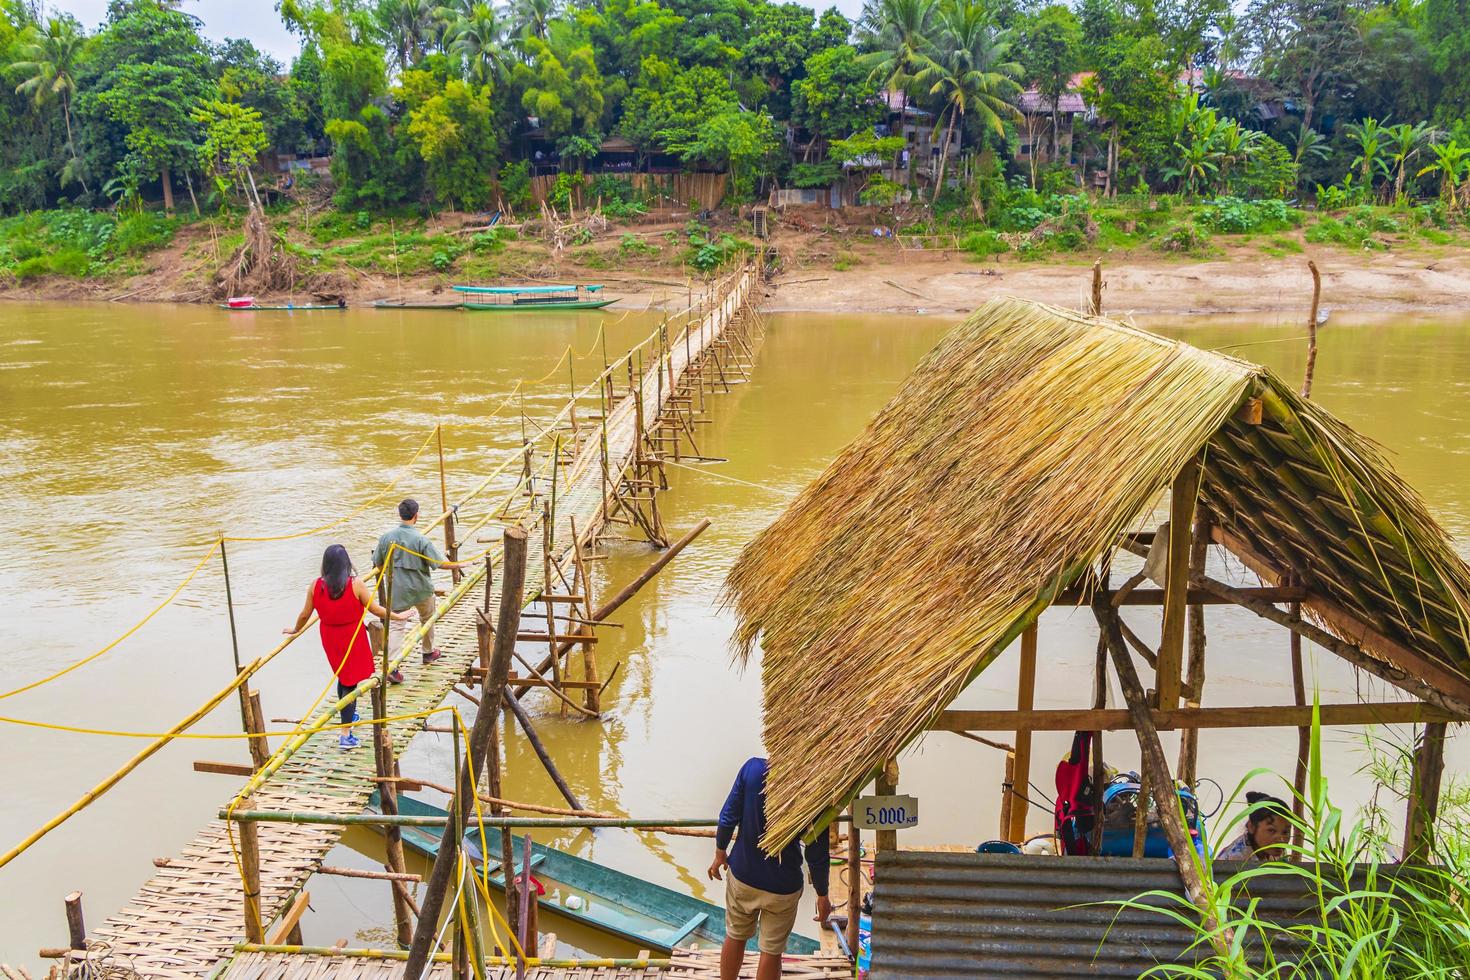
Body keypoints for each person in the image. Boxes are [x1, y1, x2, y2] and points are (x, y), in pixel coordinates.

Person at [708, 757, 831, 980]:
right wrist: (822, 894)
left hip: (744, 875)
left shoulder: (753, 770)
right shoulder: (814, 791)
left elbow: (727, 818)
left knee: (735, 935)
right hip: (783, 887)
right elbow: (817, 855)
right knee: (771, 951)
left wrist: (720, 853)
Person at [284, 544, 409, 749]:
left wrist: (295, 629)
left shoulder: (316, 585)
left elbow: (305, 614)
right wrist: (398, 616)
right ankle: (345, 734)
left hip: (330, 636)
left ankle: (348, 713)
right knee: (350, 682)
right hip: (351, 635)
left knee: (344, 676)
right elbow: (376, 610)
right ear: (346, 564)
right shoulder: (356, 584)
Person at [373, 499, 473, 683]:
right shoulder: (420, 539)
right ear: (416, 516)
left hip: (397, 589)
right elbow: (439, 563)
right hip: (421, 588)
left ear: (400, 514)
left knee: (396, 626)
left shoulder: (386, 538)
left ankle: (392, 667)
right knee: (427, 617)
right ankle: (428, 652)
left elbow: (378, 562)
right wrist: (460, 564)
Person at [1217, 791, 1293, 863]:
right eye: (1271, 830)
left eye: (1285, 832)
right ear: (1251, 827)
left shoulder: (1275, 849)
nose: (1281, 839)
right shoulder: (1237, 860)